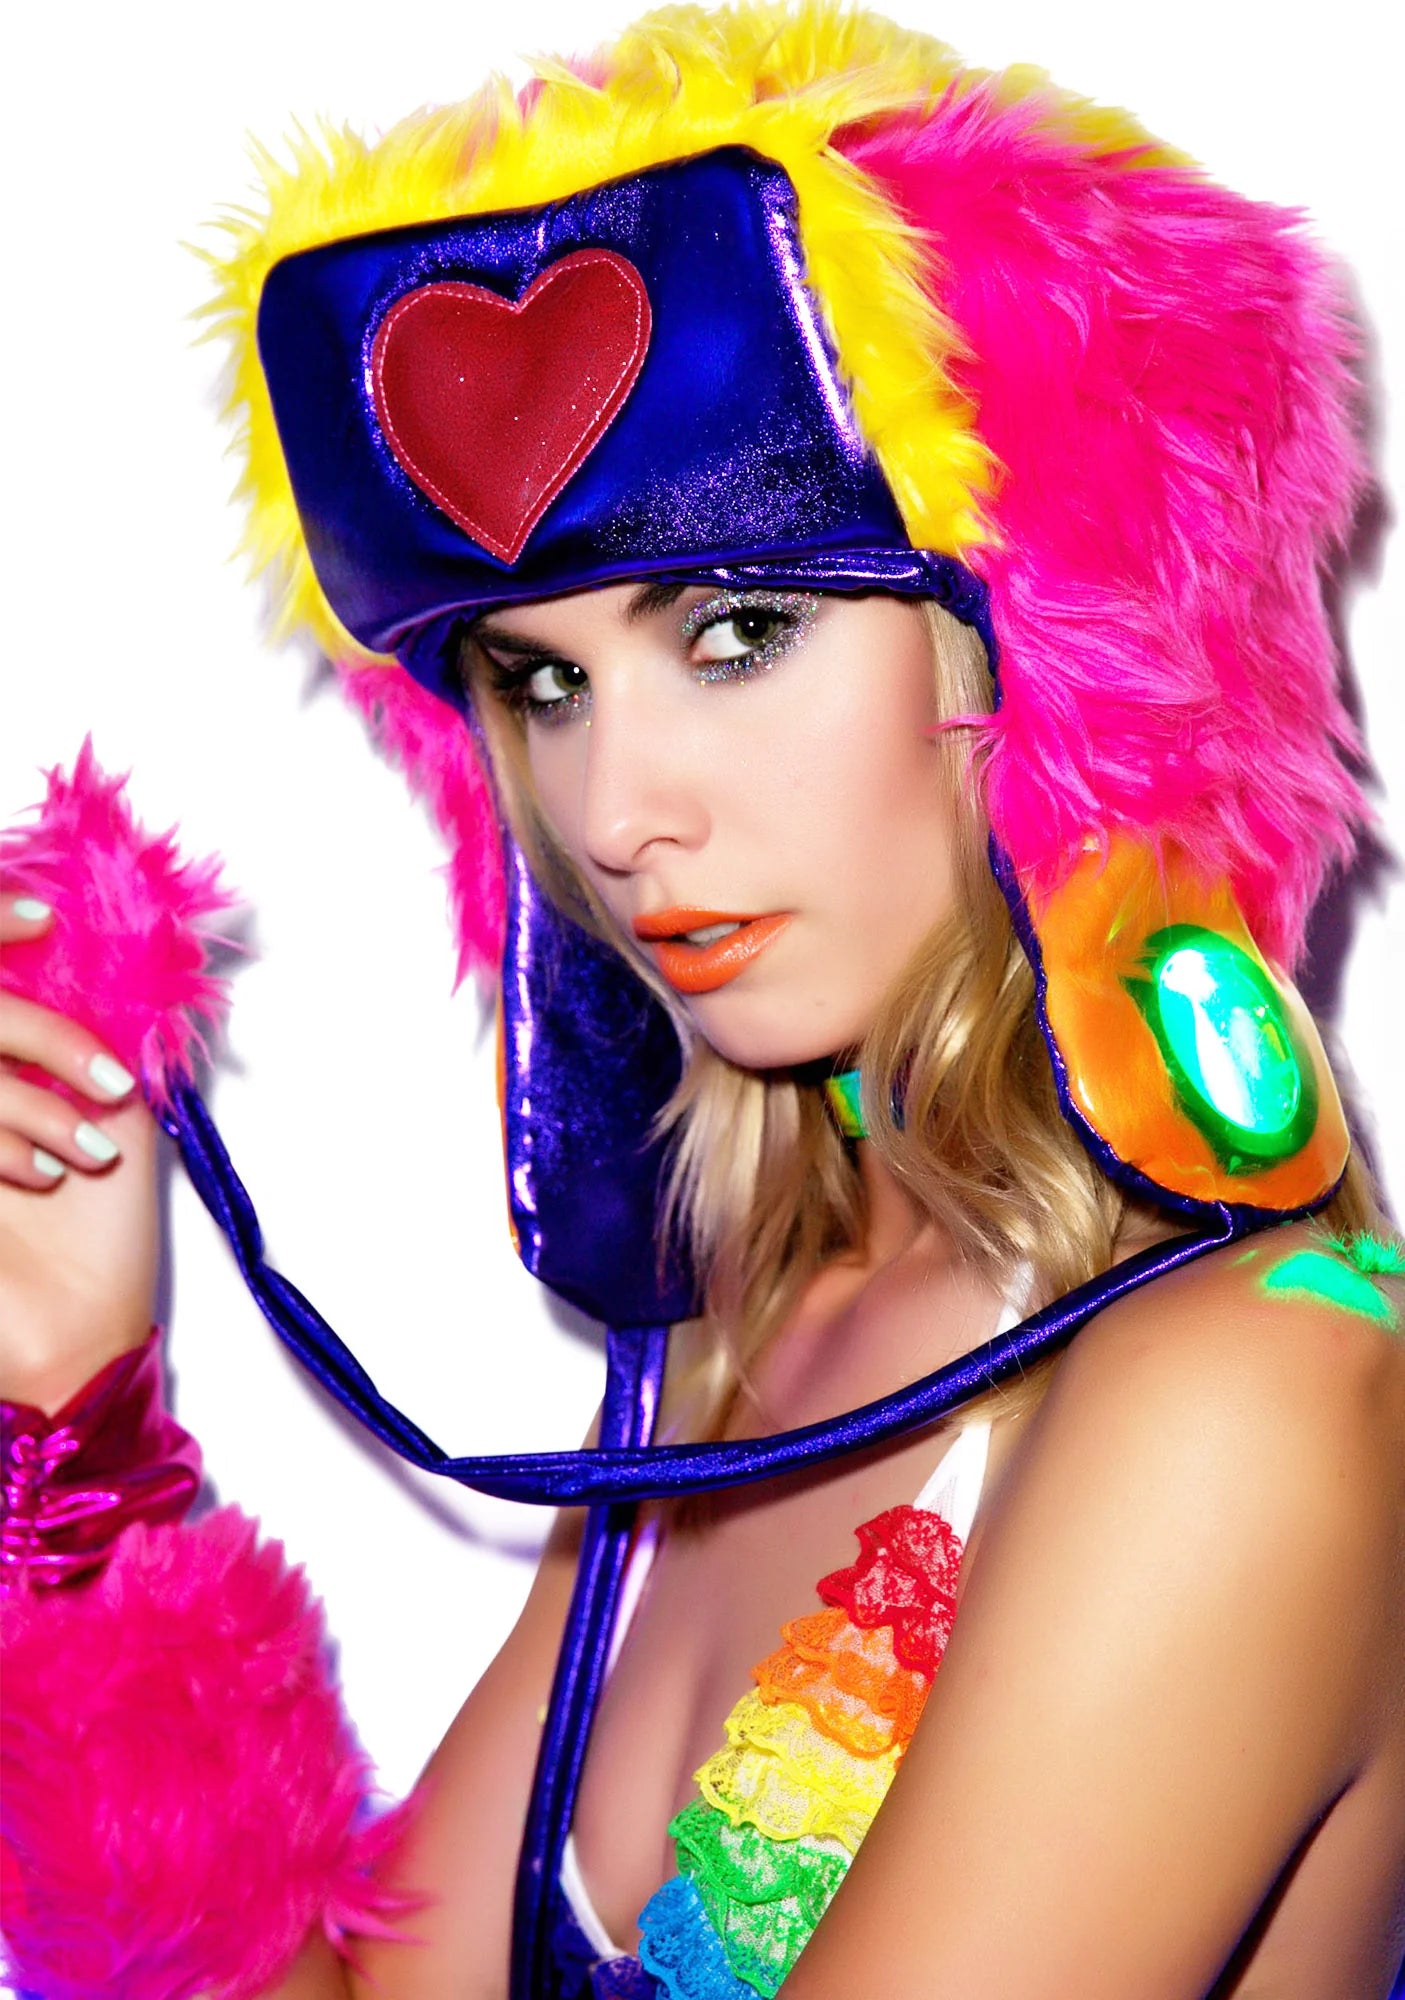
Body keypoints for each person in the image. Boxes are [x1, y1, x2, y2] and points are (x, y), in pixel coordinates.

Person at [2, 5, 1403, 1997]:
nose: (609, 811)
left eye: (736, 631)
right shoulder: (728, 1348)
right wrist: (71, 1432)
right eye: (543, 681)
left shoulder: (1256, 1384)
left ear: (1052, 654)